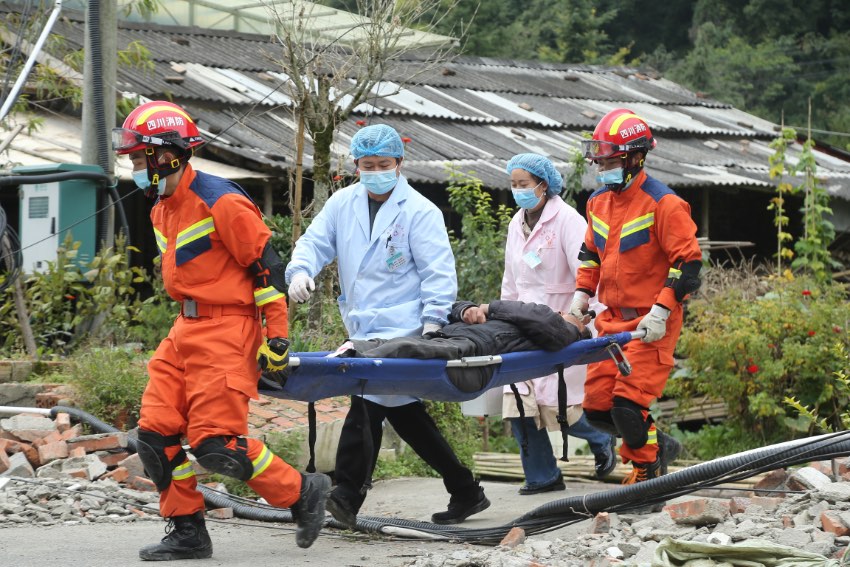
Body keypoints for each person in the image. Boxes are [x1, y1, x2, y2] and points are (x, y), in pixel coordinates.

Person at [112, 101, 330, 561]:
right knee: (154, 437)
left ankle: (301, 491)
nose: (133, 168)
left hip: (228, 328)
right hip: (184, 328)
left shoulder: (222, 200)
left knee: (217, 446)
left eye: (137, 159)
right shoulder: (161, 207)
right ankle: (188, 530)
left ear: (165, 154)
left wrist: (276, 338)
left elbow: (268, 270)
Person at [285, 124, 489, 527]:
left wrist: (433, 323)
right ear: (356, 166)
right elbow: (315, 241)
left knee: (367, 398)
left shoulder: (420, 211)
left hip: (406, 326)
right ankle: (465, 489)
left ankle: (347, 492)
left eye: (383, 164)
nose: (375, 171)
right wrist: (300, 270)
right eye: (367, 165)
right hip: (362, 321)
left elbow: (438, 273)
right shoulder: (343, 203)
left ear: (399, 164)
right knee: (402, 410)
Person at [570, 108, 700, 492]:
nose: (601, 166)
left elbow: (688, 264)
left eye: (609, 160)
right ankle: (659, 444)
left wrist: (661, 309)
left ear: (635, 157)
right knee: (596, 409)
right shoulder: (597, 203)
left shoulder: (665, 204)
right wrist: (580, 295)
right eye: (599, 159)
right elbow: (590, 254)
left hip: (652, 322)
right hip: (611, 321)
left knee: (628, 405)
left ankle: (648, 477)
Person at [500, 153, 618, 495]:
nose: (518, 191)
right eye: (514, 184)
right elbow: (511, 278)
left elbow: (588, 273)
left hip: (560, 322)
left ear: (544, 184)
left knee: (560, 406)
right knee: (518, 402)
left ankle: (601, 439)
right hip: (521, 322)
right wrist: (502, 315)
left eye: (524, 184)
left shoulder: (568, 221)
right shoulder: (515, 223)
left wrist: (585, 320)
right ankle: (542, 476)